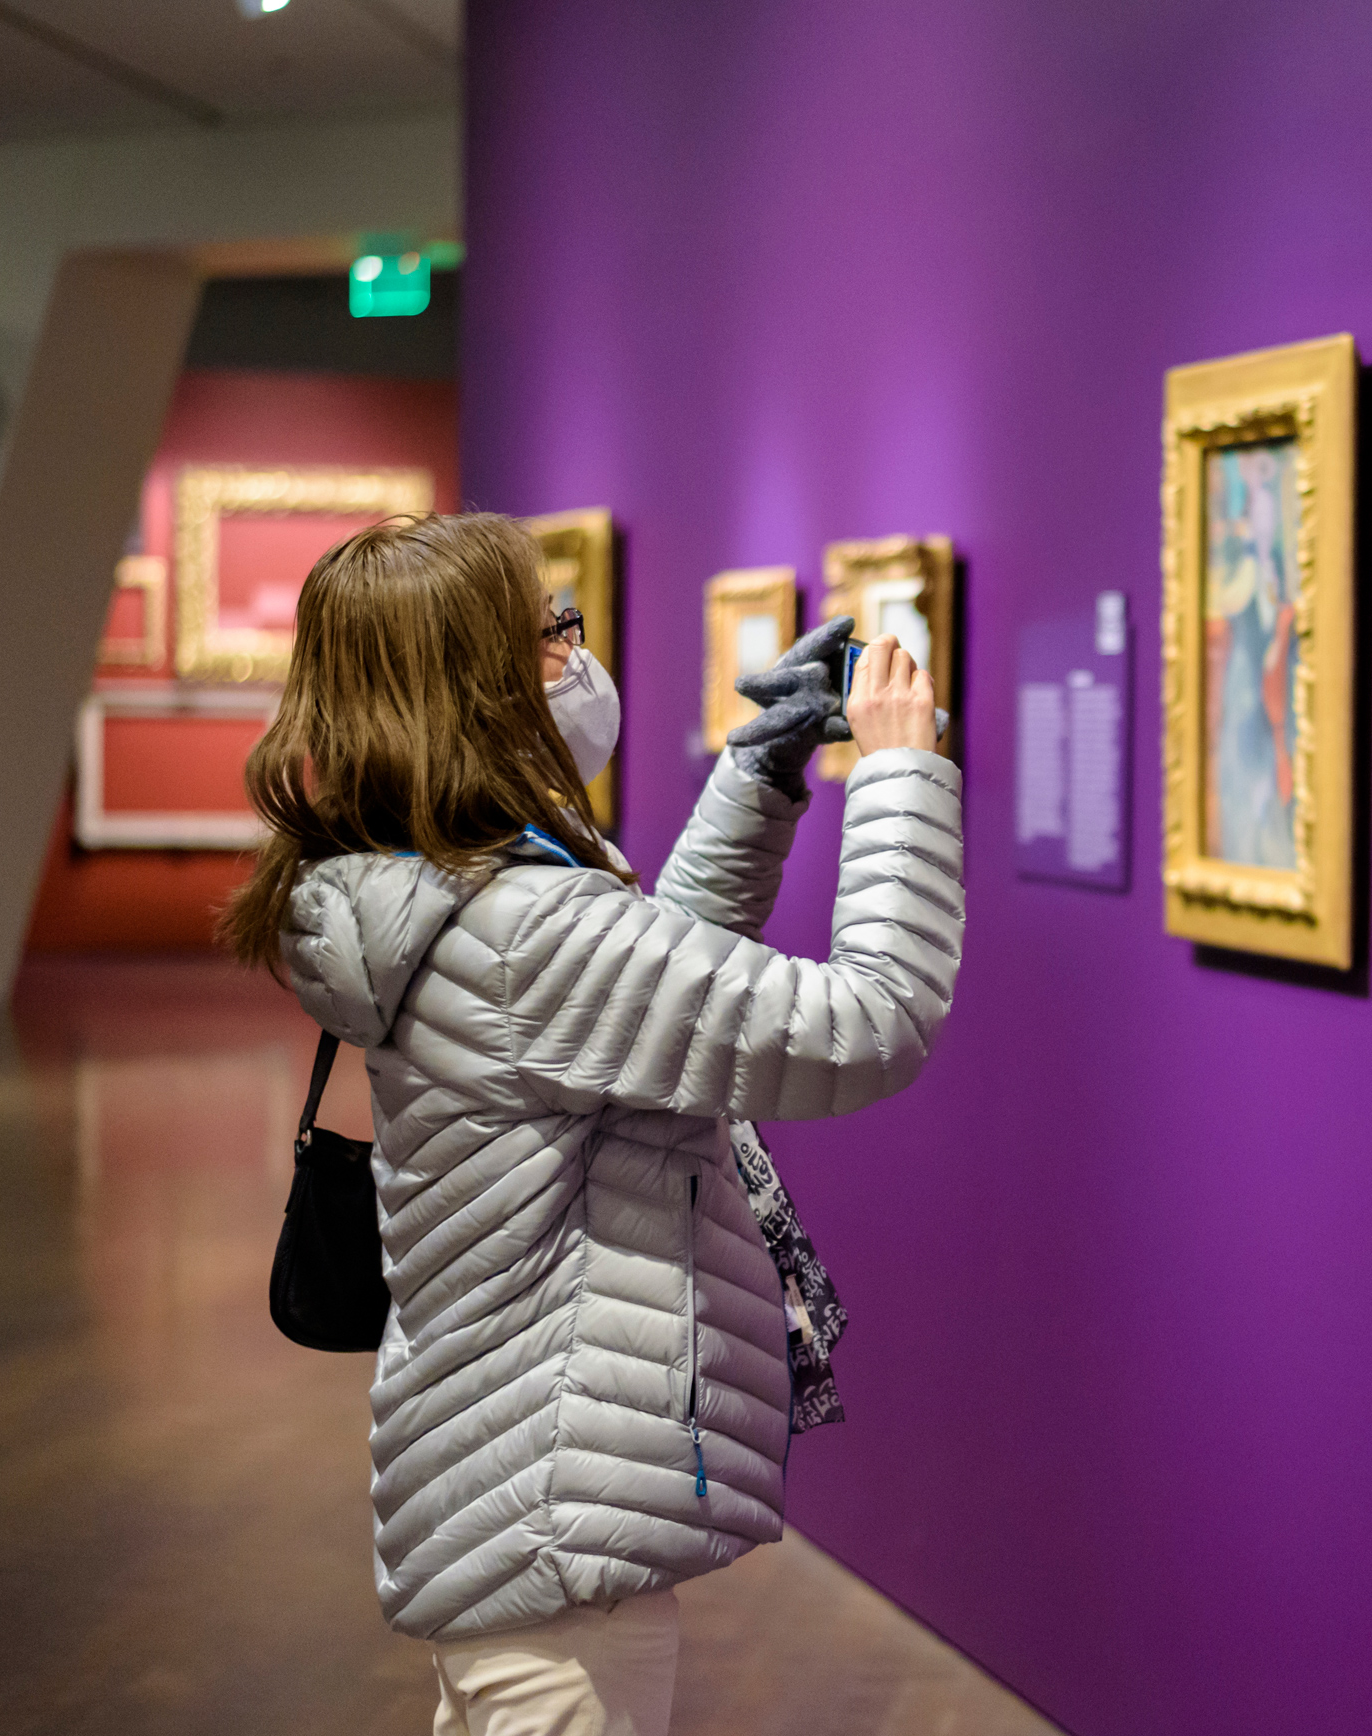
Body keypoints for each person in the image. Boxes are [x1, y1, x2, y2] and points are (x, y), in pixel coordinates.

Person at [221, 512, 963, 1735]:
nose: (576, 656)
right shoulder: (524, 927)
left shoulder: (419, 889)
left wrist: (759, 774)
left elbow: (642, 1006)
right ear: (476, 683)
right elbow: (867, 1022)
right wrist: (900, 775)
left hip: (498, 1493)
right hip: (552, 1541)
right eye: (551, 631)